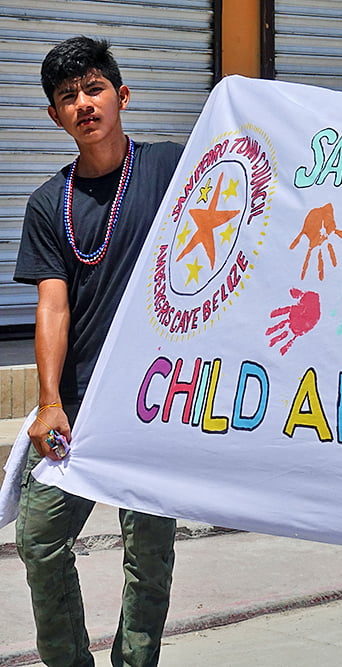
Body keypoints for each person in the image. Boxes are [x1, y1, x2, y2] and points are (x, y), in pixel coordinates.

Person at [13, 36, 184, 667]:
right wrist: (48, 401)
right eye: (68, 96)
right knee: (39, 538)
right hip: (79, 406)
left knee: (148, 556)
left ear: (121, 95)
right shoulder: (47, 203)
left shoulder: (170, 168)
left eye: (94, 88)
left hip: (155, 401)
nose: (84, 103)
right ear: (55, 115)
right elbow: (52, 306)